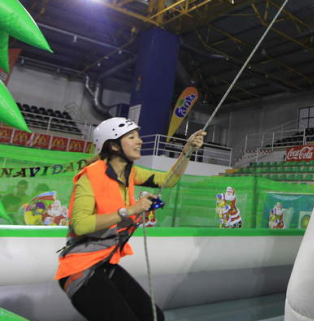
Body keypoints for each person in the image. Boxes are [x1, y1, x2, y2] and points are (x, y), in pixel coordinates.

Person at [54, 117, 206, 321]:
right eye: (132, 137)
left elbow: (167, 180)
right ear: (114, 146)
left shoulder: (129, 173)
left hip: (104, 264)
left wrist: (187, 151)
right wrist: (130, 210)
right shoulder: (89, 177)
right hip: (80, 271)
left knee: (154, 317)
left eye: (138, 136)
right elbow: (80, 225)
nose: (140, 141)